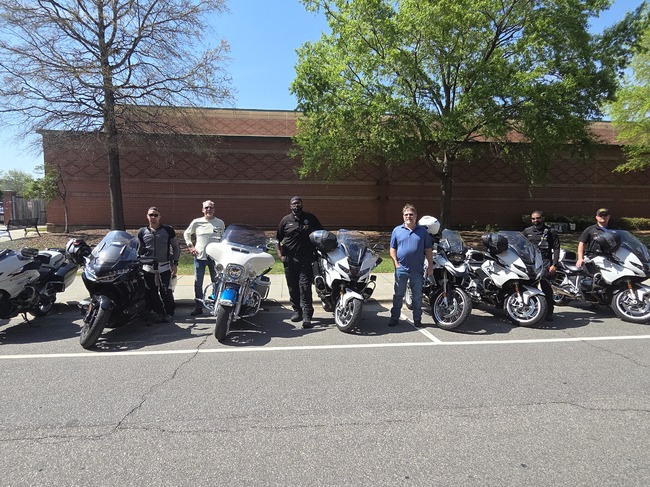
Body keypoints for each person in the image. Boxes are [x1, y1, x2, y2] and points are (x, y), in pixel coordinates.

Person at [276, 196, 323, 329]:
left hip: (306, 258)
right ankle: (297, 311)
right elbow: (277, 240)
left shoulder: (310, 218)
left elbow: (321, 233)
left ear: (302, 204)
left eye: (298, 203)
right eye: (294, 204)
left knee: (305, 287)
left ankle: (307, 316)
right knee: (293, 287)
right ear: (290, 206)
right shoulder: (285, 221)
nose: (296, 206)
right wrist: (280, 256)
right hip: (290, 260)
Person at [388, 204, 434, 328]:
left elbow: (428, 249)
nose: (409, 216)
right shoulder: (397, 230)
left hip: (417, 270)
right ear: (403, 216)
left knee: (417, 296)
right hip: (401, 269)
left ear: (416, 216)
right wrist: (396, 263)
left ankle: (417, 319)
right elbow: (392, 248)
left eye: (411, 214)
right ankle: (394, 318)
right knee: (398, 295)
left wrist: (430, 265)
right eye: (406, 214)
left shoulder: (422, 231)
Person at [137, 206, 180, 323]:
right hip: (148, 267)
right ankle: (159, 312)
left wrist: (175, 263)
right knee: (151, 291)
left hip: (164, 266)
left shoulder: (168, 230)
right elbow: (139, 249)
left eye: (155, 215)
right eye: (151, 215)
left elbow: (176, 247)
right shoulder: (142, 232)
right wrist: (137, 260)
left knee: (166, 290)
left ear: (159, 217)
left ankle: (169, 313)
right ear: (147, 216)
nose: (153, 217)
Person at [184, 200, 225, 316]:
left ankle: (216, 305)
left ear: (214, 210)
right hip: (200, 258)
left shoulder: (220, 223)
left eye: (211, 207)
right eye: (206, 208)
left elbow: (223, 238)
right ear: (203, 210)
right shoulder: (197, 222)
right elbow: (186, 234)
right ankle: (198, 307)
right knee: (198, 283)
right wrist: (191, 246)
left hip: (215, 258)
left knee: (216, 281)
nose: (209, 209)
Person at [522, 210, 560, 321]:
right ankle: (534, 309)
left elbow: (556, 248)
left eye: (538, 218)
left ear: (543, 218)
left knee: (545, 286)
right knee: (529, 285)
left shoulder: (551, 232)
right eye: (533, 218)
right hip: (531, 262)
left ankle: (549, 312)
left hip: (545, 261)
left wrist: (554, 264)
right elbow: (519, 245)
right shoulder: (527, 231)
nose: (536, 220)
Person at [576, 207, 615, 276]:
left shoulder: (615, 229)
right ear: (596, 217)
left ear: (608, 217)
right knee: (590, 277)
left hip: (610, 258)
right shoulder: (590, 229)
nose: (603, 217)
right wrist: (580, 258)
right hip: (593, 257)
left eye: (605, 215)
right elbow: (581, 243)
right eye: (600, 215)